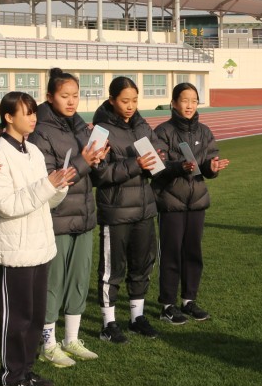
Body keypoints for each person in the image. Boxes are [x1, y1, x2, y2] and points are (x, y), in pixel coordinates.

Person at [0, 92, 72, 386]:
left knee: (34, 315)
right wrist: (47, 185)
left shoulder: (31, 149)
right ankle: (11, 376)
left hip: (39, 243)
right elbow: (5, 204)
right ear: (8, 117)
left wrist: (59, 186)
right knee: (16, 317)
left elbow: (44, 199)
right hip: (16, 247)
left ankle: (26, 370)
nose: (34, 118)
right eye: (27, 113)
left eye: (34, 112)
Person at [27, 69, 108, 367]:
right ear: (50, 97)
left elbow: (92, 174)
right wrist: (84, 161)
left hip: (84, 215)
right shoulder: (41, 132)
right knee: (54, 282)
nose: (72, 101)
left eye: (75, 95)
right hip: (57, 217)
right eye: (65, 96)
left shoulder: (81, 127)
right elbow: (51, 177)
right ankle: (48, 342)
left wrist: (98, 160)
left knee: (78, 280)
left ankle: (71, 339)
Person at [91, 76, 162, 342]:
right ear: (112, 100)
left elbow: (157, 156)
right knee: (112, 270)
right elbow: (98, 174)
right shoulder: (100, 131)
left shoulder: (142, 125)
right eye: (124, 101)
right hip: (116, 211)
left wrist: (159, 161)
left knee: (142, 265)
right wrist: (136, 165)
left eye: (134, 100)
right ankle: (108, 324)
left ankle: (136, 318)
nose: (130, 106)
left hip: (144, 209)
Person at [152, 82, 229, 324]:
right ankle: (167, 305)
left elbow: (208, 162)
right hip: (171, 202)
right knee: (171, 253)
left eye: (194, 101)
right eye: (184, 100)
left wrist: (212, 168)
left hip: (196, 201)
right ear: (174, 103)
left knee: (193, 252)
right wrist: (179, 167)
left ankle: (188, 300)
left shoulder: (204, 132)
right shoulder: (163, 131)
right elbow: (157, 167)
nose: (189, 105)